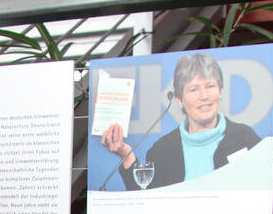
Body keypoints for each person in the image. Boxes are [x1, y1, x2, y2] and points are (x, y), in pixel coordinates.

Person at [101, 52, 262, 190]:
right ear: (179, 100)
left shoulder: (245, 138)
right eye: (193, 89)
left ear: (220, 91)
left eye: (210, 86)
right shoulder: (161, 150)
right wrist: (126, 155)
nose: (204, 96)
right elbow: (147, 204)